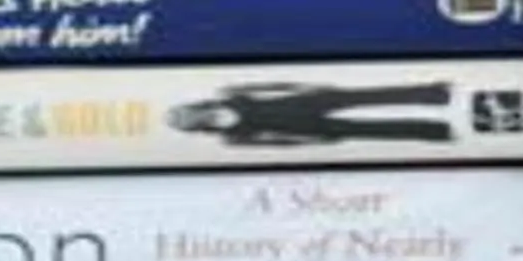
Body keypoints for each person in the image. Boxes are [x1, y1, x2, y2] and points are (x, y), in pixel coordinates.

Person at [164, 77, 458, 148]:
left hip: (305, 102)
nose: (191, 118)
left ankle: (435, 93)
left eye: (186, 113)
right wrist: (310, 142)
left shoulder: (227, 94)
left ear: (191, 106)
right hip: (306, 129)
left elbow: (271, 86)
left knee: (370, 96)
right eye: (186, 123)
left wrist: (305, 86)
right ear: (192, 128)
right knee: (372, 130)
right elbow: (274, 144)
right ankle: (437, 132)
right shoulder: (229, 139)